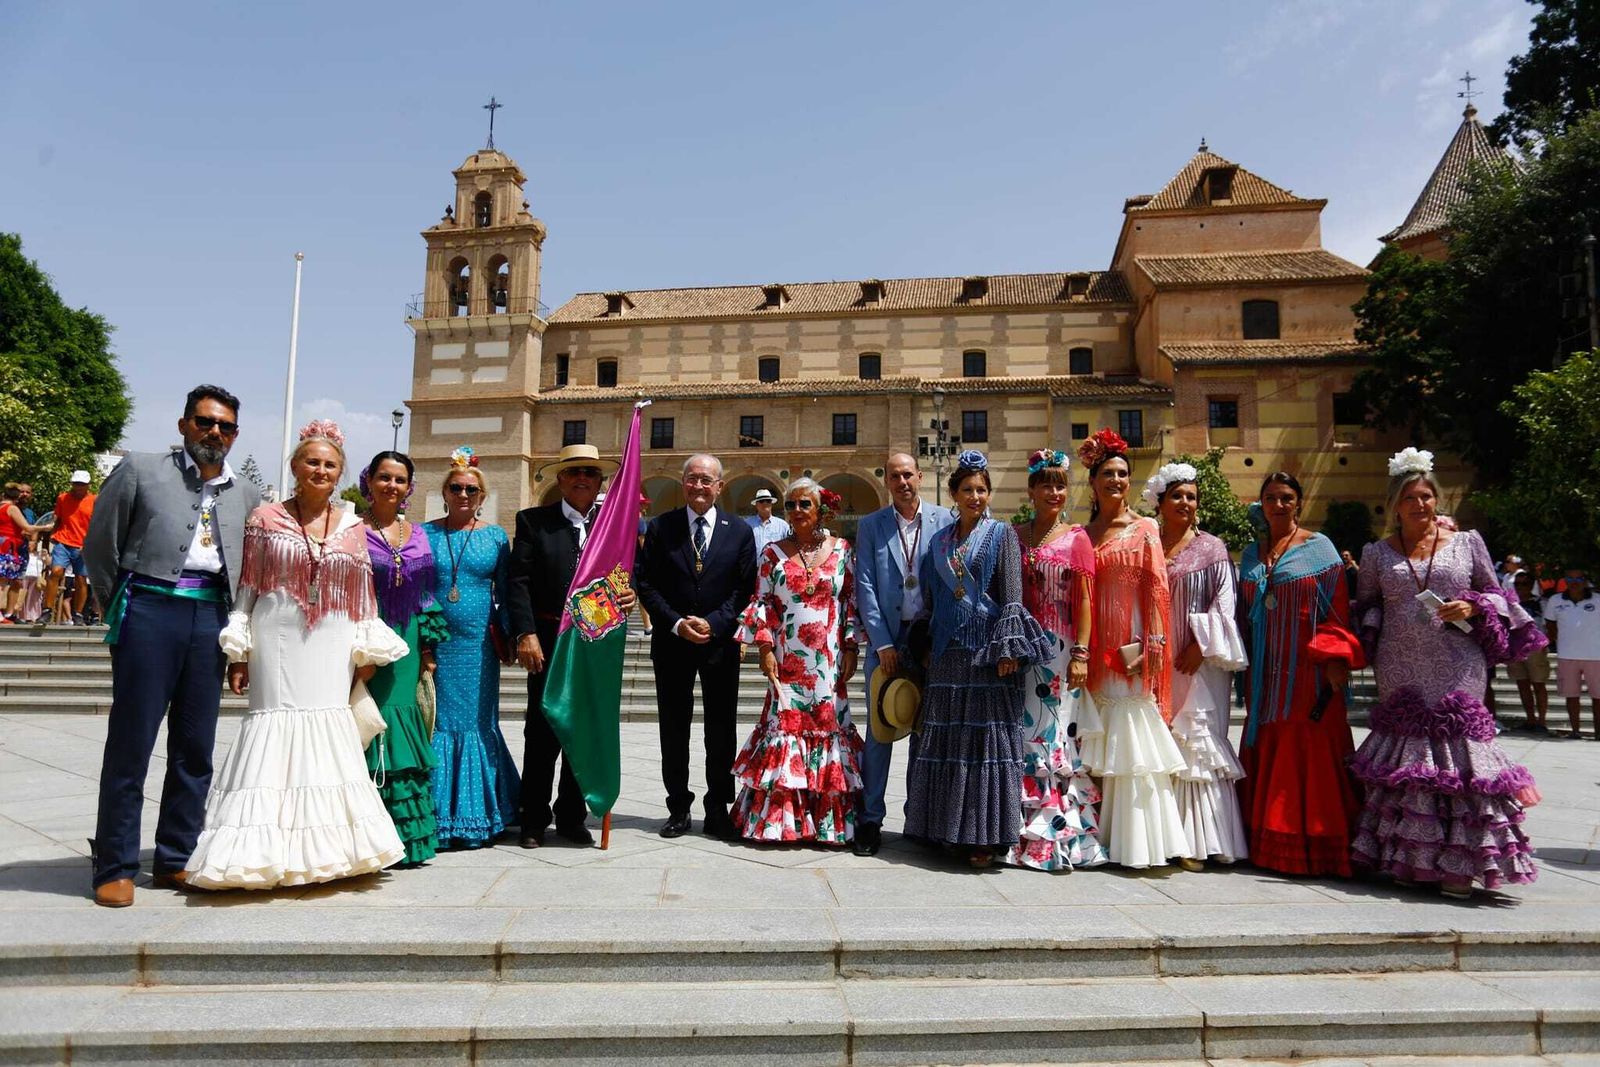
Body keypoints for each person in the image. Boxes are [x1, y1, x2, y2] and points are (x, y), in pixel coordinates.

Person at [184, 420, 407, 889]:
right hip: (276, 633)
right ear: (295, 466)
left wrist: (367, 648)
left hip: (333, 636)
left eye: (330, 465)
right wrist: (239, 650)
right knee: (274, 722)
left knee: (329, 729)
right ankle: (259, 852)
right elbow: (249, 583)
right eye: (312, 462)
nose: (320, 470)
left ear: (341, 472)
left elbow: (364, 592)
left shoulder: (353, 525)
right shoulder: (264, 518)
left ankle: (334, 853)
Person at [80, 385, 260, 907]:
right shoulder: (140, 468)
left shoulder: (246, 493)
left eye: (225, 427)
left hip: (210, 620)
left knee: (195, 745)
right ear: (184, 425)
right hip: (150, 609)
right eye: (205, 422)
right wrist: (122, 607)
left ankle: (176, 854)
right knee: (131, 742)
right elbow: (100, 545)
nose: (214, 433)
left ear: (235, 435)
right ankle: (113, 862)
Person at [1349, 450, 1542, 896]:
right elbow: (1368, 605)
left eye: (1427, 496)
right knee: (1410, 756)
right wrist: (1372, 629)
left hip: (1458, 658)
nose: (1420, 505)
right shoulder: (1376, 553)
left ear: (1436, 500)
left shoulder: (1467, 542)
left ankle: (1459, 865)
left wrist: (1472, 605)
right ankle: (1407, 860)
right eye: (1411, 498)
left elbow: (1496, 596)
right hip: (1400, 662)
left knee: (1459, 752)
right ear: (1395, 504)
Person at [904, 450, 1051, 867]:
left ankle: (984, 838)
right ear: (953, 493)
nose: (975, 496)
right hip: (948, 654)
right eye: (967, 489)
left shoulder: (1002, 535)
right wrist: (926, 647)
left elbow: (1012, 597)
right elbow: (931, 600)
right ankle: (946, 830)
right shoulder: (938, 542)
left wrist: (1008, 649)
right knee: (949, 742)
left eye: (982, 490)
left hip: (989, 654)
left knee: (985, 744)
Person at [1237, 472, 1364, 877]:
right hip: (1263, 677)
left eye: (1287, 497)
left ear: (1299, 503)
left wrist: (1333, 659)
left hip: (1309, 674)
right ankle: (1262, 843)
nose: (1279, 504)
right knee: (1269, 739)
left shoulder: (1320, 549)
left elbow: (1338, 610)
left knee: (1307, 746)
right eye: (1271, 498)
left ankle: (1316, 844)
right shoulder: (1251, 555)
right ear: (1261, 503)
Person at [1077, 430, 1190, 870]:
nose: (1117, 480)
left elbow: (1158, 589)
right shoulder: (1083, 533)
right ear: (1093, 482)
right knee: (1096, 740)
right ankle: (1096, 837)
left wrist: (1154, 645)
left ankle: (1139, 843)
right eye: (1107, 473)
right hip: (1094, 648)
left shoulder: (1146, 528)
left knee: (1132, 746)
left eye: (1123, 473)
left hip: (1131, 645)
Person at [505, 442, 624, 847]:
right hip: (548, 642)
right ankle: (534, 818)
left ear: (599, 482)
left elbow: (624, 578)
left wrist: (629, 594)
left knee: (584, 730)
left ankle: (572, 816)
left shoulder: (611, 530)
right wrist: (525, 634)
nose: (582, 479)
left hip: (592, 643)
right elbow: (517, 582)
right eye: (574, 472)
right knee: (542, 731)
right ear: (560, 479)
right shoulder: (533, 522)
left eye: (590, 473)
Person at [732, 480, 864, 842]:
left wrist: (851, 647)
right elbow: (763, 603)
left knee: (829, 731)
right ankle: (780, 822)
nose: (796, 510)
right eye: (790, 505)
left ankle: (828, 825)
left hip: (828, 662)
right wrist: (764, 649)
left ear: (821, 508)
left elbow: (850, 602)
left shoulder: (842, 550)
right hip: (787, 659)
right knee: (783, 730)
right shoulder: (772, 553)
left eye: (804, 503)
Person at [636, 454, 757, 839]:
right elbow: (646, 582)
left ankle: (718, 806)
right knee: (674, 728)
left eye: (707, 480)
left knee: (720, 730)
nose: (699, 486)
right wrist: (674, 623)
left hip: (719, 644)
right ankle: (678, 806)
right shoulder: (661, 527)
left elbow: (745, 587)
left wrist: (716, 622)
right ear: (682, 483)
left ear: (720, 486)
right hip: (673, 644)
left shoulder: (738, 530)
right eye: (692, 479)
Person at [1003, 448, 1106, 871]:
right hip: (1022, 650)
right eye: (1045, 483)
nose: (1053, 491)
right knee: (1021, 735)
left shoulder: (1077, 537)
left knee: (1052, 737)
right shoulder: (1015, 535)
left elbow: (1085, 599)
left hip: (1059, 652)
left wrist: (1081, 652)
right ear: (1031, 490)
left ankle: (1058, 841)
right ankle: (1017, 833)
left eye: (1060, 484)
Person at [850, 451, 952, 856]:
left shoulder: (944, 520)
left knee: (923, 733)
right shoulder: (872, 526)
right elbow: (865, 587)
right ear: (887, 481)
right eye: (894, 476)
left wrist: (935, 642)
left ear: (920, 477)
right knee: (879, 732)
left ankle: (918, 820)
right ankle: (870, 820)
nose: (902, 482)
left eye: (907, 474)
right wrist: (883, 643)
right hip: (888, 640)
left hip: (929, 642)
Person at [1147, 462, 1248, 869]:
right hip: (1156, 661)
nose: (1185, 502)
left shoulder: (1213, 548)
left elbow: (1225, 603)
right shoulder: (1149, 541)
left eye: (1191, 496)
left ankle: (1200, 843)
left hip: (1198, 664)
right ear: (1161, 502)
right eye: (1177, 496)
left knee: (1198, 744)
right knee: (1163, 742)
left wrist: (1201, 647)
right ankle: (1164, 836)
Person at [426, 447, 521, 848]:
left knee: (479, 723)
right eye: (456, 488)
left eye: (471, 489)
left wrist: (513, 635)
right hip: (437, 647)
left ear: (482, 497)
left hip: (479, 648)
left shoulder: (496, 537)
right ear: (444, 492)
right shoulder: (424, 534)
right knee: (439, 724)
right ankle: (437, 813)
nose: (463, 494)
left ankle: (483, 810)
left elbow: (509, 590)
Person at [359, 450, 443, 867]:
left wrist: (427, 648)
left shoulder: (419, 534)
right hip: (365, 639)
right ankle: (366, 836)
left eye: (399, 480)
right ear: (369, 481)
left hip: (406, 639)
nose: (392, 485)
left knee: (401, 721)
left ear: (409, 488)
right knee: (366, 723)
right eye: (384, 477)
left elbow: (427, 593)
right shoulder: (353, 530)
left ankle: (406, 838)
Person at [1547, 568, 1600, 740]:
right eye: (1570, 579)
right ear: (1565, 581)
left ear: (1585, 581)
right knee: (1571, 695)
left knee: (1598, 697)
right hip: (1567, 655)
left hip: (1596, 656)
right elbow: (1550, 625)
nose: (1574, 583)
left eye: (1578, 579)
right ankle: (1575, 731)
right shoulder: (1555, 600)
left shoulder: (1598, 599)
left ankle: (1599, 733)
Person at [43, 469, 96, 624]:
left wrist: (90, 544)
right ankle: (47, 610)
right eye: (75, 483)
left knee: (81, 579)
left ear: (88, 485)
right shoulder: (63, 498)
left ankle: (78, 614)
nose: (78, 487)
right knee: (56, 572)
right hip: (63, 541)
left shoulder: (95, 500)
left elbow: (98, 525)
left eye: (81, 484)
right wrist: (53, 535)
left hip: (83, 545)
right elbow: (58, 518)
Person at [1507, 571, 1550, 731]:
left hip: (1535, 649)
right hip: (1515, 648)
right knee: (1522, 684)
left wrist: (1546, 643)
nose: (1520, 587)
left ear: (1531, 585)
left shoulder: (1541, 603)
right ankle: (1530, 719)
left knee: (1538, 684)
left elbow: (1549, 624)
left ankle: (1542, 721)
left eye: (1524, 584)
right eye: (1517, 584)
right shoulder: (1510, 603)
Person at [0, 485, 50, 624]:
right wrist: (45, 527)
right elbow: (27, 527)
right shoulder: (12, 508)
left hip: (4, 544)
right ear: (16, 497)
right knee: (2, 582)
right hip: (7, 547)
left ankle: (8, 614)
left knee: (5, 581)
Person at [746, 487, 792, 558]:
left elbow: (789, 546)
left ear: (771, 504)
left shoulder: (783, 525)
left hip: (776, 566)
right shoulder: (747, 524)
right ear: (756, 504)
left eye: (768, 501)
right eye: (761, 501)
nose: (765, 503)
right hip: (753, 566)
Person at [636, 492, 654, 636]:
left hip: (627, 562)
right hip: (638, 563)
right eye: (642, 503)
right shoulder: (639, 520)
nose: (644, 506)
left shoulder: (625, 519)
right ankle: (648, 626)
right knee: (643, 596)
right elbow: (643, 542)